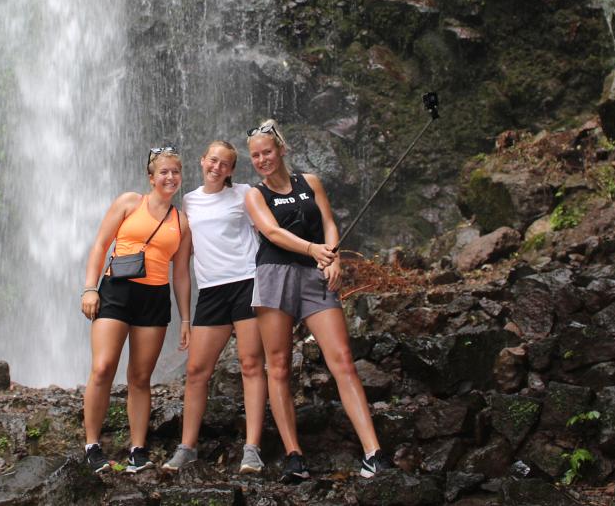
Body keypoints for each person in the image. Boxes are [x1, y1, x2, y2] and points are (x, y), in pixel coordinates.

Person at [244, 120, 394, 482]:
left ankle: (373, 452)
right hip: (274, 275)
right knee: (278, 365)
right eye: (255, 156)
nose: (262, 159)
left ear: (281, 149)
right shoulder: (254, 194)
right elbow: (272, 232)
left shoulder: (309, 182)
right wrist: (314, 250)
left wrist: (336, 258)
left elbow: (328, 221)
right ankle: (294, 455)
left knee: (342, 359)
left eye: (267, 151)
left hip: (314, 277)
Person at [80, 146, 192, 474]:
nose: (170, 177)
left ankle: (137, 451)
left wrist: (186, 317)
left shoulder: (181, 222)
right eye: (164, 172)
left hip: (154, 298)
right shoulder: (130, 202)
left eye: (175, 172)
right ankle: (92, 445)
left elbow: (182, 274)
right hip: (116, 290)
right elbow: (101, 244)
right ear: (151, 177)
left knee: (141, 377)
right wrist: (90, 288)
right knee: (103, 367)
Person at [162, 141, 267, 475]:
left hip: (247, 282)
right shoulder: (189, 202)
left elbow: (269, 232)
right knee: (196, 371)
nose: (217, 167)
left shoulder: (245, 194)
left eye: (225, 164)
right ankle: (187, 447)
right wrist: (184, 316)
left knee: (251, 364)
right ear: (202, 161)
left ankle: (252, 449)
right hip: (210, 291)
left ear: (232, 170)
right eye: (212, 160)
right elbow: (182, 262)